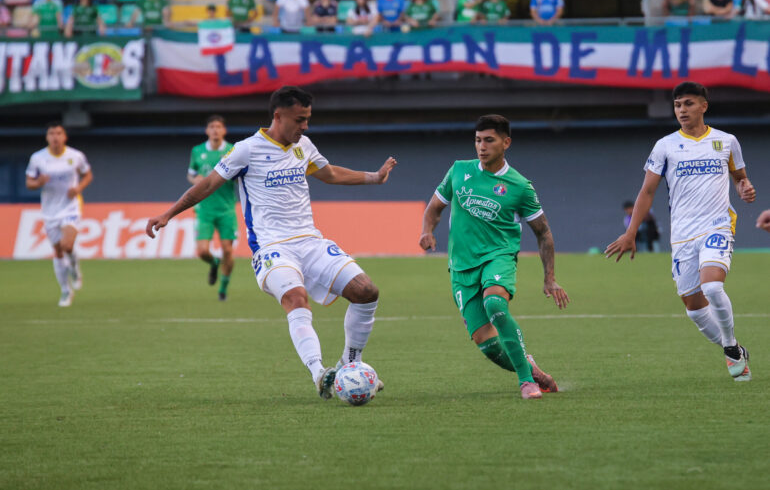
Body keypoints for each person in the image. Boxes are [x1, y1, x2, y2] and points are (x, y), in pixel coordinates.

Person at [146, 86, 397, 399]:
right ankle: (320, 373)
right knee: (296, 297)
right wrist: (168, 214)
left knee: (367, 292)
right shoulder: (245, 150)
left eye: (307, 119)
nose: (305, 126)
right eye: (300, 119)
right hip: (271, 247)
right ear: (278, 116)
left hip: (310, 241)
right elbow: (209, 183)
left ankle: (349, 364)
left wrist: (374, 177)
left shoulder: (303, 144)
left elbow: (329, 173)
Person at [606, 82, 757, 382]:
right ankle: (735, 349)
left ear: (704, 106)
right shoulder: (665, 145)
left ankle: (729, 349)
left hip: (717, 225)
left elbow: (740, 177)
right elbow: (647, 191)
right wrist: (631, 232)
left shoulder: (726, 141)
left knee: (712, 287)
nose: (682, 110)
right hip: (682, 235)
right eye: (677, 105)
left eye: (688, 103)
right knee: (695, 310)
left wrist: (745, 187)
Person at [419, 114, 569, 400]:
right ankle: (532, 368)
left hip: (498, 257)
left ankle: (527, 383)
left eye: (489, 140)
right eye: (478, 140)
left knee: (495, 304)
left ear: (506, 143)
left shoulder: (520, 186)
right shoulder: (459, 171)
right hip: (461, 267)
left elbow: (543, 232)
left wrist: (550, 278)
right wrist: (426, 231)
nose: (481, 146)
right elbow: (434, 208)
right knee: (485, 343)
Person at [25, 122, 93, 307]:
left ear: (64, 137)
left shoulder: (75, 156)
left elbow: (87, 175)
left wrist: (78, 188)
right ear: (47, 137)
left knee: (67, 245)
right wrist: (38, 182)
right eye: (51, 133)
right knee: (58, 251)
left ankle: (75, 269)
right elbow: (29, 183)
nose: (55, 137)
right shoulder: (38, 158)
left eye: (58, 133)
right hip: (49, 211)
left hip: (70, 207)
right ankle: (65, 290)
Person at [187, 115, 238, 301]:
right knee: (202, 252)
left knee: (227, 250)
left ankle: (223, 287)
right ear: (207, 130)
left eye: (218, 127)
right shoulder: (197, 151)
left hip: (226, 209)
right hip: (204, 209)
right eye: (212, 127)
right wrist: (196, 181)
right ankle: (214, 263)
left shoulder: (233, 150)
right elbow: (191, 174)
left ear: (224, 130)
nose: (215, 130)